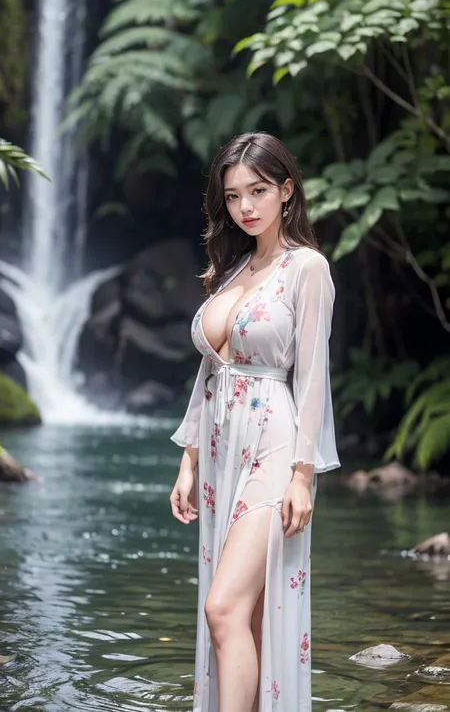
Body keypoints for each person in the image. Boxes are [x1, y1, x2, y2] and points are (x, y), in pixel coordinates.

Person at [169, 132, 340, 712]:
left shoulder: (306, 268)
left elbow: (313, 375)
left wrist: (303, 475)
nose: (246, 206)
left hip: (273, 444)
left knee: (223, 606)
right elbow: (209, 372)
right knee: (246, 613)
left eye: (260, 191)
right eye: (235, 194)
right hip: (220, 448)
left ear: (286, 191)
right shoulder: (233, 266)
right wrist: (189, 458)